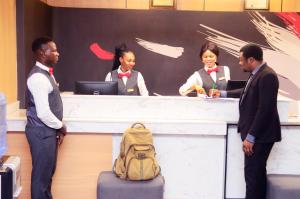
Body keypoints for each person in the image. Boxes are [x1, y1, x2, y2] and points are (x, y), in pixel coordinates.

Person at [214, 44, 281, 199]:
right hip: (257, 135)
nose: (239, 63)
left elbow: (265, 110)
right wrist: (223, 93)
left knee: (252, 177)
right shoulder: (258, 73)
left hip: (260, 136)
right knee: (255, 175)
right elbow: (246, 92)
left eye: (241, 60)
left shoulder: (268, 76)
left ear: (251, 60)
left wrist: (251, 137)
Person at [26, 37, 67, 199]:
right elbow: (43, 113)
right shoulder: (38, 78)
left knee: (46, 177)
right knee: (41, 180)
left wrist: (57, 128)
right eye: (54, 50)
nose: (58, 53)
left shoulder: (46, 74)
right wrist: (60, 126)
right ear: (42, 53)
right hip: (41, 133)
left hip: (47, 133)